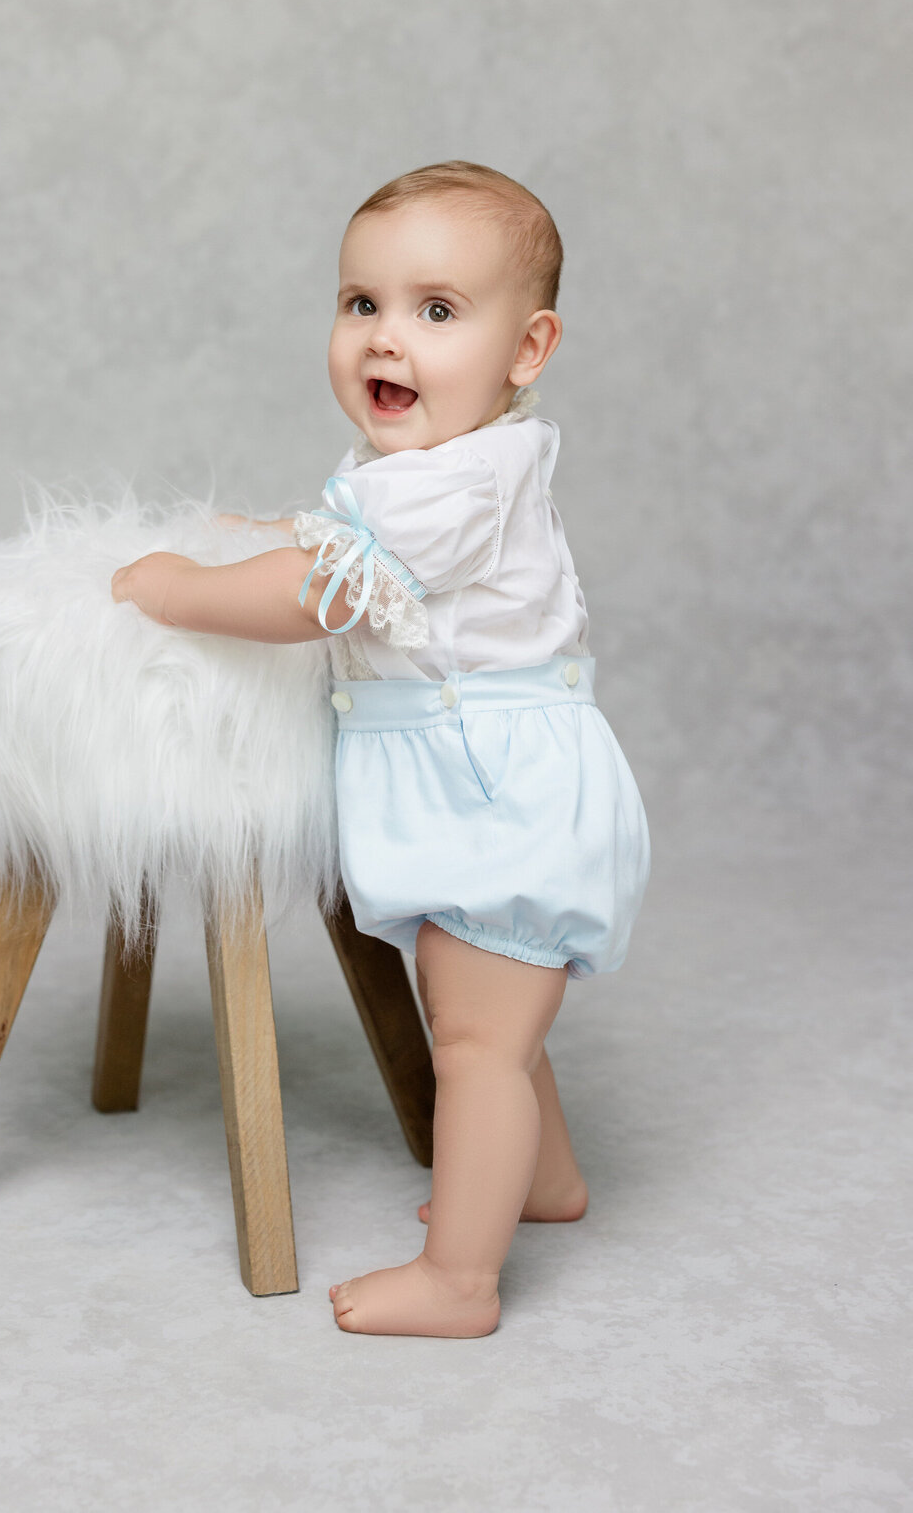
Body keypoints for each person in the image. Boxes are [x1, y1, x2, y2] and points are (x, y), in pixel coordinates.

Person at [110, 160, 650, 1337]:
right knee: (483, 1014)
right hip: (475, 775)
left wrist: (186, 587)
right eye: (363, 304)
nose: (385, 340)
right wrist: (283, 532)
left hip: (499, 785)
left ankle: (462, 1280)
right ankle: (544, 1181)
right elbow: (341, 537)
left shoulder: (455, 485)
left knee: (477, 1042)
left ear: (529, 347)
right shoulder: (431, 467)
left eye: (436, 311)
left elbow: (322, 590)